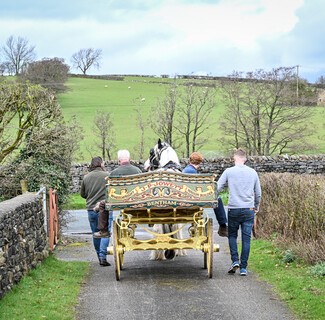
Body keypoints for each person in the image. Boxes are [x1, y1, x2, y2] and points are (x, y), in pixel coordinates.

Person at [217, 148, 262, 276]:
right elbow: (258, 193)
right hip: (248, 209)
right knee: (246, 239)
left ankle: (235, 260)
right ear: (245, 159)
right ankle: (243, 268)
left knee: (232, 236)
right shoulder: (253, 172)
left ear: (234, 159)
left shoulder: (228, 171)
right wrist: (256, 206)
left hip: (233, 208)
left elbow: (218, 187)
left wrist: (213, 198)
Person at [94, 149, 142, 237]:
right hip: (136, 200)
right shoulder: (138, 171)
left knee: (102, 205)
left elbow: (109, 190)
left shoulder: (114, 173)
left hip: (119, 201)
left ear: (119, 160)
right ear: (129, 159)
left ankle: (104, 231)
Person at [182, 152, 228, 237]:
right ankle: (223, 225)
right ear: (200, 162)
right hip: (193, 199)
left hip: (185, 197)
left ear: (190, 160)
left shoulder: (186, 169)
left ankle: (223, 226)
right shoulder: (191, 171)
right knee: (217, 198)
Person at [80, 157, 111, 266]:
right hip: (105, 208)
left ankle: (99, 256)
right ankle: (103, 256)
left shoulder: (86, 178)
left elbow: (82, 194)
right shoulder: (106, 176)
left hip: (91, 209)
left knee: (95, 233)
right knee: (105, 232)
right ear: (101, 164)